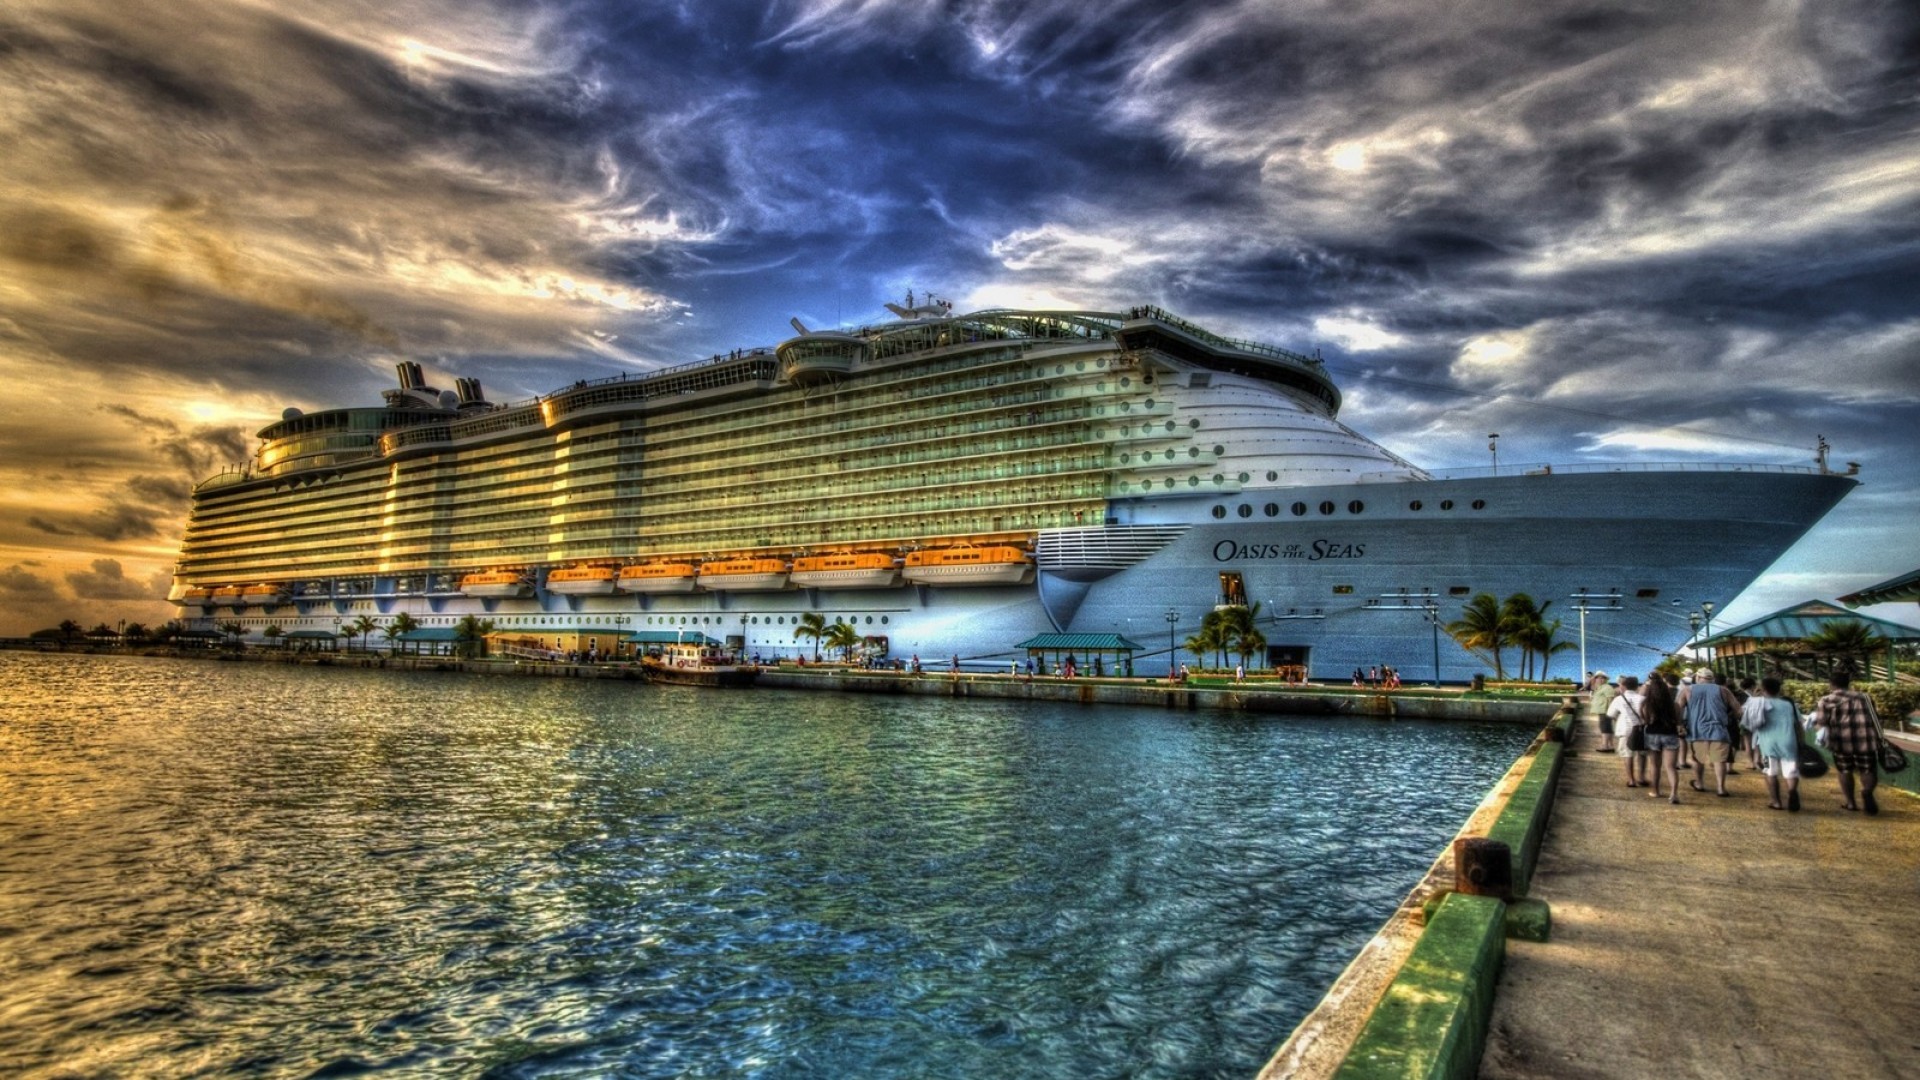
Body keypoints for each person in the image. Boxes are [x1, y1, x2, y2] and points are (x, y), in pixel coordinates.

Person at [1812, 671, 1882, 815]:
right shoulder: (1865, 698)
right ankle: (1867, 791)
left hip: (1841, 742)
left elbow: (1821, 723)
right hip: (1866, 741)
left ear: (1831, 684)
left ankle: (1851, 803)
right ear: (1848, 683)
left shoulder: (1826, 700)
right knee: (1868, 770)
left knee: (1844, 770)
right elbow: (1876, 717)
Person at [1741, 677, 1803, 812]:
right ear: (1779, 689)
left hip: (1767, 744)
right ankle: (1792, 791)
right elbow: (1798, 724)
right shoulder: (1788, 704)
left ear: (1763, 689)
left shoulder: (1758, 704)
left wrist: (1756, 697)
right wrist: (1801, 741)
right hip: (1788, 741)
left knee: (1770, 772)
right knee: (1791, 771)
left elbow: (1746, 718)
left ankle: (1776, 801)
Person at [1677, 667, 1740, 796]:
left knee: (1698, 759)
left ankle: (1699, 783)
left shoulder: (1687, 690)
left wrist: (1679, 724)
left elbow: (1678, 709)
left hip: (1697, 731)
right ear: (1712, 679)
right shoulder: (1723, 690)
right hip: (1719, 730)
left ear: (1698, 678)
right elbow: (1738, 710)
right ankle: (1721, 788)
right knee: (1719, 760)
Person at [1639, 672, 1685, 802]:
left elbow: (1644, 720)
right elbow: (1679, 722)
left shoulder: (1646, 704)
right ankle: (1674, 794)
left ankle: (1655, 791)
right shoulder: (1674, 705)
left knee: (1654, 765)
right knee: (1670, 767)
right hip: (1670, 735)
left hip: (1652, 735)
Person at [1606, 675, 1648, 787]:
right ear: (1637, 686)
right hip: (1641, 729)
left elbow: (1610, 714)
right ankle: (1642, 777)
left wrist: (1619, 718)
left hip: (1625, 729)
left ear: (1624, 686)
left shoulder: (1619, 699)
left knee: (1627, 754)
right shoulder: (1643, 699)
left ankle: (1631, 780)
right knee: (1642, 754)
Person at [1587, 671, 1618, 752]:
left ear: (1606, 679)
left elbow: (1611, 700)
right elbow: (1592, 686)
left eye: (1602, 678)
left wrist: (1612, 712)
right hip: (1602, 711)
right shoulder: (1600, 687)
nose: (1600, 679)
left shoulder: (1607, 687)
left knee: (1604, 728)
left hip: (1606, 711)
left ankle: (1604, 745)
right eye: (1598, 677)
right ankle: (1610, 745)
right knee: (1607, 728)